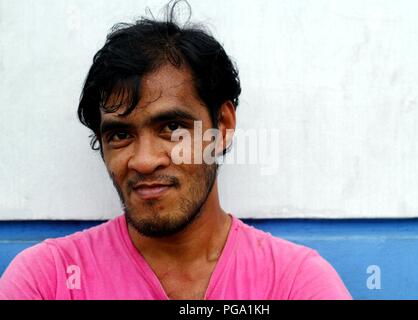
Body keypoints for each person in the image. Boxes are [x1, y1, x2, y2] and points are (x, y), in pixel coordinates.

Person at [0, 2, 351, 300]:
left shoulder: (294, 284)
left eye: (172, 128)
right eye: (120, 134)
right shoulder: (48, 281)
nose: (144, 160)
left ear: (223, 125)